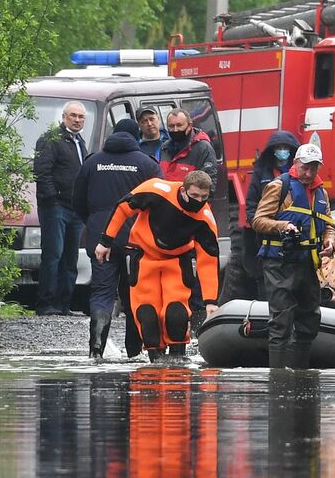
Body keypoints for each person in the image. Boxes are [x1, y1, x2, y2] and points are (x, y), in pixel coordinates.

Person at [94, 171, 219, 362]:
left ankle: (178, 359)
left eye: (204, 197)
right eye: (194, 196)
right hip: (143, 255)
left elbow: (208, 260)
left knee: (176, 313)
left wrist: (210, 301)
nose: (199, 201)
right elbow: (123, 208)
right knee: (147, 313)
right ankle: (154, 357)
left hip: (177, 260)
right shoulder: (157, 190)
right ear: (184, 190)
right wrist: (105, 241)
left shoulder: (205, 219)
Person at [72, 118, 161, 360]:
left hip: (102, 239)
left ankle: (96, 350)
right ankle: (134, 352)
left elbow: (77, 200)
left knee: (102, 293)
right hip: (135, 239)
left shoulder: (93, 162)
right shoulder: (147, 164)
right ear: (136, 136)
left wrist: (94, 223)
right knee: (134, 294)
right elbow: (160, 204)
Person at [252, 141, 335, 369]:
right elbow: (258, 220)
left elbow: (328, 224)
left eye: (314, 168)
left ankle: (300, 373)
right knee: (281, 321)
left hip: (307, 263)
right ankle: (278, 378)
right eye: (305, 167)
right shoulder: (279, 187)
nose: (309, 173)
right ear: (296, 163)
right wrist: (282, 226)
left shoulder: (321, 193)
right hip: (279, 261)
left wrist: (329, 240)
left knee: (309, 319)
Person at [220, 130, 300, 304]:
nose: (282, 151)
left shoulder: (300, 173)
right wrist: (255, 221)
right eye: (278, 147)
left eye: (285, 148)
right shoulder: (262, 172)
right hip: (266, 233)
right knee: (265, 277)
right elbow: (252, 200)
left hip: (293, 232)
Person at [32, 102, 87, 315]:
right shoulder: (51, 139)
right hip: (56, 206)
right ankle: (46, 303)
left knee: (70, 257)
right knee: (53, 255)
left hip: (76, 208)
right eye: (73, 115)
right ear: (64, 117)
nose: (77, 120)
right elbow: (42, 172)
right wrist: (52, 197)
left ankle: (64, 304)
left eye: (81, 117)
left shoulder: (79, 142)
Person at [160, 108, 217, 185]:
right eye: (171, 126)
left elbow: (209, 183)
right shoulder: (164, 148)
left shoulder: (203, 148)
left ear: (189, 126)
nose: (175, 130)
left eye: (179, 125)